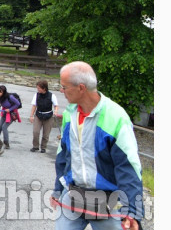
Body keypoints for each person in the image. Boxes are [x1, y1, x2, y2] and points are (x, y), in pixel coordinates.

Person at [52, 61, 143, 230]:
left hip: (108, 202)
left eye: (64, 87)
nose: (61, 90)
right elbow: (63, 155)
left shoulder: (116, 118)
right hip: (73, 195)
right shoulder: (69, 114)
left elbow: (128, 167)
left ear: (81, 88)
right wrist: (57, 189)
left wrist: (131, 211)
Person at [29, 80, 58, 153]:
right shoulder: (36, 95)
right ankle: (35, 146)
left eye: (39, 88)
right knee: (36, 132)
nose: (38, 89)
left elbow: (56, 105)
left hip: (48, 116)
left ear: (44, 88)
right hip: (38, 115)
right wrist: (31, 116)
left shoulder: (52, 95)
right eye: (37, 88)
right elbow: (34, 106)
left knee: (46, 134)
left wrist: (56, 111)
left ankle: (43, 147)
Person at [0, 85, 21, 149]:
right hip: (4, 113)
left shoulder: (10, 97)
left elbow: (18, 104)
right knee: (0, 126)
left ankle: (6, 143)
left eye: (0, 92)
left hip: (12, 114)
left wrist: (10, 109)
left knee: (4, 127)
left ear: (4, 92)